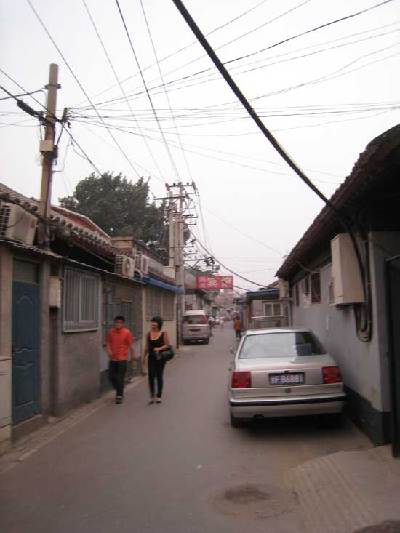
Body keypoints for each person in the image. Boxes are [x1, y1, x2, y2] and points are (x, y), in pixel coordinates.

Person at [106, 315, 135, 404]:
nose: (118, 324)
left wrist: (133, 357)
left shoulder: (127, 332)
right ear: (114, 323)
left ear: (123, 324)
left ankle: (119, 396)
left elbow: (131, 346)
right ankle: (119, 388)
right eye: (116, 322)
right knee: (111, 377)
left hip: (122, 359)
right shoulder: (111, 332)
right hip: (113, 359)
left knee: (120, 378)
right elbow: (108, 342)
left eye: (120, 323)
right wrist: (109, 351)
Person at [144, 316, 170, 404]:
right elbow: (146, 347)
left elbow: (167, 345)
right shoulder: (148, 334)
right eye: (152, 322)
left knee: (159, 376)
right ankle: (152, 396)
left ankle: (159, 396)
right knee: (151, 376)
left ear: (159, 324)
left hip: (160, 358)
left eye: (154, 322)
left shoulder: (163, 333)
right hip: (151, 358)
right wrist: (143, 358)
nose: (153, 324)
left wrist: (159, 348)